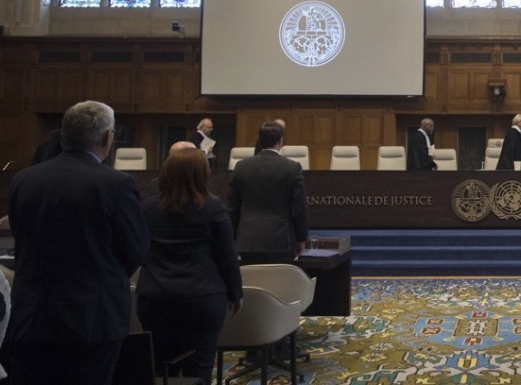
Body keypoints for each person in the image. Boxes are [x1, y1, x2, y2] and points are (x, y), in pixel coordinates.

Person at [7, 100, 149, 385]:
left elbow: (19, 238)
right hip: (91, 320)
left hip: (31, 315)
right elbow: (135, 251)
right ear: (108, 137)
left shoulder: (24, 179)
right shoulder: (116, 184)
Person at [136, 142, 243, 385]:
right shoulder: (214, 208)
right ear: (203, 173)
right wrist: (236, 294)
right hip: (202, 298)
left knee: (160, 369)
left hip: (154, 297)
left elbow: (137, 249)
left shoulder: (147, 208)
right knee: (199, 369)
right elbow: (227, 257)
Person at [228, 121, 308, 264]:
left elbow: (232, 206)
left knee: (252, 284)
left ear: (260, 140)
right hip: (281, 239)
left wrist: (232, 237)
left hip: (248, 239)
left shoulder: (241, 167)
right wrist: (302, 238)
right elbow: (299, 208)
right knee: (279, 284)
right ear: (280, 141)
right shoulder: (292, 168)